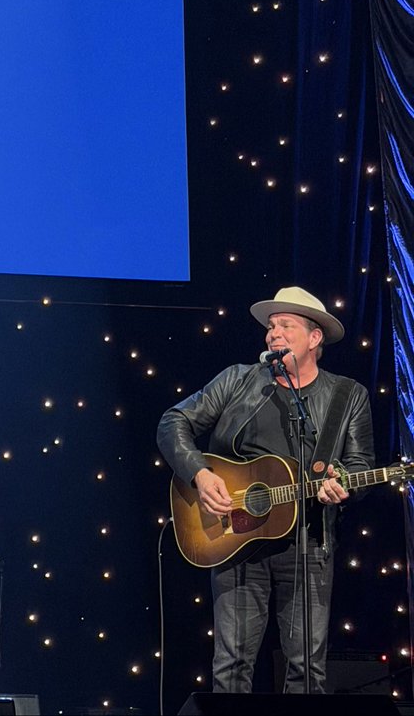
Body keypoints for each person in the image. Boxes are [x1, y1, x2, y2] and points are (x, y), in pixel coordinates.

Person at [157, 286, 375, 693]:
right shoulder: (240, 380)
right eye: (271, 326)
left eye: (285, 325)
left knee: (307, 669)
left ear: (315, 338)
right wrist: (201, 473)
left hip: (309, 543)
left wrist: (341, 484)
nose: (272, 333)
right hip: (235, 536)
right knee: (232, 666)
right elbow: (173, 422)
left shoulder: (348, 396)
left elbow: (359, 467)